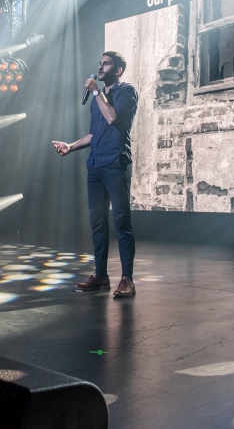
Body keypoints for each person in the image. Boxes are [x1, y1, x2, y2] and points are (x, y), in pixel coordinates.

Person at [53, 51, 139, 297]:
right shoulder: (97, 99)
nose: (100, 67)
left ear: (118, 70)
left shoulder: (127, 91)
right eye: (99, 63)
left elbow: (112, 118)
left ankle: (127, 279)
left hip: (116, 164)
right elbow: (94, 135)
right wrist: (70, 146)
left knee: (121, 221)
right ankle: (101, 276)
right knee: (97, 223)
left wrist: (95, 91)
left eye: (106, 64)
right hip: (96, 165)